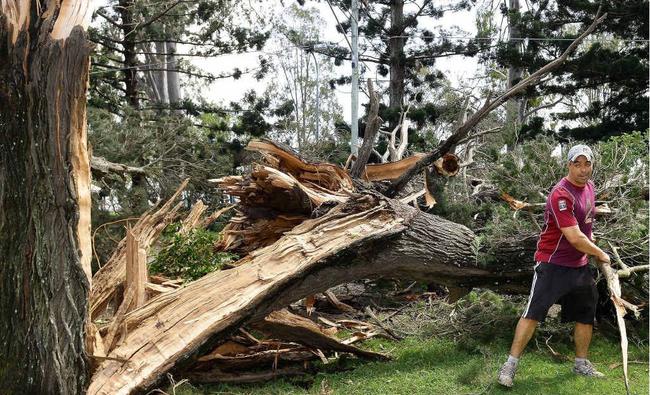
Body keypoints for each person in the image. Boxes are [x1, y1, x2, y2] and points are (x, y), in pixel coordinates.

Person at [497, 144, 611, 388]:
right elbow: (574, 237)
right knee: (533, 314)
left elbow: (586, 227)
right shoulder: (561, 194)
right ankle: (510, 366)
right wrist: (600, 253)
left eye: (587, 164)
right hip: (552, 263)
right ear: (568, 165)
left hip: (579, 266)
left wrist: (592, 248)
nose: (582, 169)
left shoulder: (590, 187)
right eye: (577, 164)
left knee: (585, 314)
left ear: (592, 164)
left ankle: (581, 364)